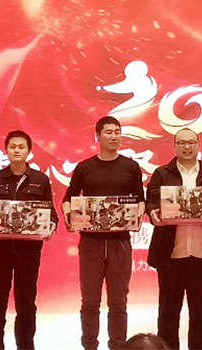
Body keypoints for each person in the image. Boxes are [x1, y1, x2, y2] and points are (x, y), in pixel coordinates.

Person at [62, 116, 146, 350]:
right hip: (91, 242)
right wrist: (70, 218)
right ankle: (89, 346)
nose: (114, 136)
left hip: (120, 242)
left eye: (117, 132)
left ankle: (118, 346)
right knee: (90, 302)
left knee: (118, 302)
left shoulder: (130, 167)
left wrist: (137, 217)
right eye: (108, 132)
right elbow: (68, 198)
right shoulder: (85, 167)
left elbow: (140, 199)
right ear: (97, 136)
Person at [146, 128, 202, 350]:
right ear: (175, 146)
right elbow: (151, 201)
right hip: (170, 255)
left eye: (191, 142)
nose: (187, 147)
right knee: (168, 312)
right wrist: (154, 213)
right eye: (182, 143)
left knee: (201, 312)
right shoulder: (162, 173)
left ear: (198, 145)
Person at [0, 130, 58, 350]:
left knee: (26, 302)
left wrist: (51, 225)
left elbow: (51, 213)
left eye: (21, 147)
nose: (17, 150)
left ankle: (25, 345)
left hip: (28, 252)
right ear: (6, 150)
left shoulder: (40, 180)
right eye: (13, 146)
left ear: (29, 151)